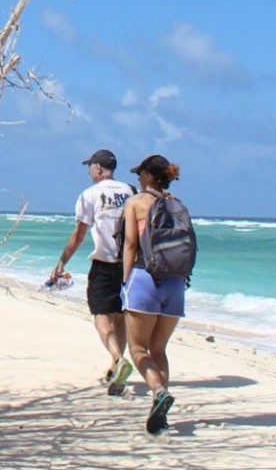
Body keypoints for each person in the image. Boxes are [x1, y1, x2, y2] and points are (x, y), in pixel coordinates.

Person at [48, 148, 136, 394]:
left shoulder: (90, 194)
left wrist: (62, 261)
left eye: (90, 166)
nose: (89, 171)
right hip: (129, 265)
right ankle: (115, 368)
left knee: (101, 315)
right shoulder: (130, 191)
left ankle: (118, 359)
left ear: (98, 168)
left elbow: (79, 234)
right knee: (120, 316)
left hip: (104, 262)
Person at [121, 154, 188, 434]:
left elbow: (129, 245)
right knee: (159, 349)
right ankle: (159, 412)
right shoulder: (177, 205)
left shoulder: (135, 203)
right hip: (176, 283)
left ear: (149, 176)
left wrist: (125, 282)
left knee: (137, 349)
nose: (137, 178)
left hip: (145, 278)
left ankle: (159, 392)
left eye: (140, 174)